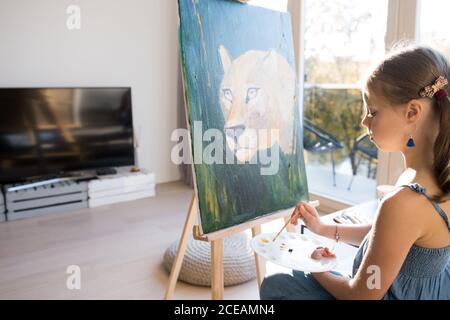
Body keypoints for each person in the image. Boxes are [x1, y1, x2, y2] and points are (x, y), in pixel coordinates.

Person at [260, 45, 450, 300]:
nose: (364, 121)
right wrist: (323, 228)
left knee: (277, 285)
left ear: (412, 112)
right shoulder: (431, 180)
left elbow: (362, 295)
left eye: (372, 112)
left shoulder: (404, 202)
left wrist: (312, 263)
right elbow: (388, 234)